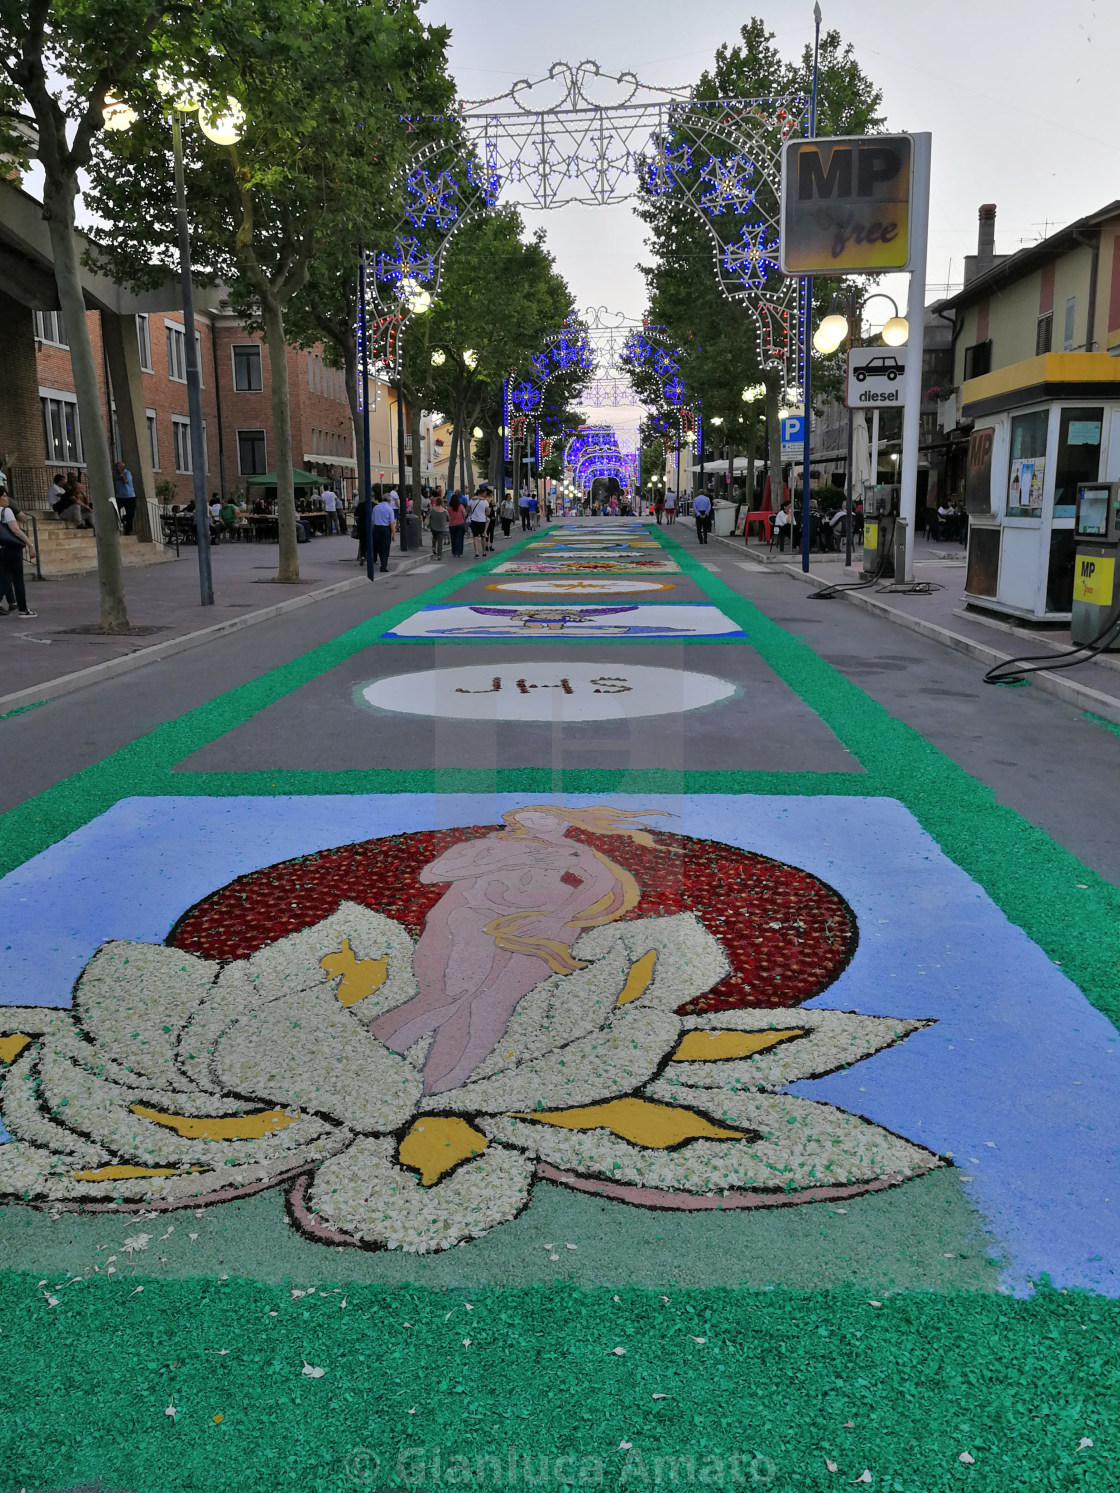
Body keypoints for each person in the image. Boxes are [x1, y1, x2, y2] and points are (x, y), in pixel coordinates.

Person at [370, 804, 664, 1094]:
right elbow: (433, 873)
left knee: (491, 1005)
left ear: (565, 823)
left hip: (535, 928)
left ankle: (441, 1086)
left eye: (551, 816)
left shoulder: (572, 852)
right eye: (535, 814)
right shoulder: (490, 845)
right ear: (515, 818)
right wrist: (508, 861)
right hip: (472, 918)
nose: (543, 821)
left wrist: (560, 916)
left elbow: (603, 881)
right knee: (448, 994)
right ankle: (372, 1067)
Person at [0, 490, 37, 618]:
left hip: (1, 548)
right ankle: (23, 609)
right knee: (18, 579)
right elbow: (15, 530)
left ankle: (14, 604)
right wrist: (30, 544)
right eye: (4, 496)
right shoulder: (6, 511)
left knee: (4, 578)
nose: (7, 498)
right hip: (12, 548)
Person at [371, 489, 396, 572]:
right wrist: (394, 534)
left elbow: (373, 521)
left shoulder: (376, 507)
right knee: (385, 548)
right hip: (385, 529)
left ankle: (375, 560)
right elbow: (392, 523)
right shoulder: (390, 509)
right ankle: (383, 565)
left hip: (377, 529)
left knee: (377, 546)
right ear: (389, 500)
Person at [113, 461, 136, 535]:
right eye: (116, 467)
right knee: (115, 511)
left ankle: (128, 530)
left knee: (130, 515)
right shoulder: (115, 474)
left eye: (118, 467)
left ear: (122, 468)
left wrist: (121, 474)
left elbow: (126, 481)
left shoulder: (127, 473)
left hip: (129, 497)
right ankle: (120, 523)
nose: (117, 468)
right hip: (119, 497)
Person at [468, 486, 491, 559]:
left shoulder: (471, 500)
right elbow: (488, 512)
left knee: (475, 537)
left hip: (474, 520)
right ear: (482, 493)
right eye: (485, 493)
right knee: (483, 536)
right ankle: (484, 552)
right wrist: (485, 514)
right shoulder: (485, 502)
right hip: (482, 521)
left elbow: (468, 508)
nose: (485, 494)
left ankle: (476, 553)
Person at [427, 493, 449, 560]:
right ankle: (439, 555)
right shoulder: (444, 511)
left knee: (434, 537)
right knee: (440, 542)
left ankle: (433, 547)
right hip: (441, 527)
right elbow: (448, 519)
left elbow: (429, 517)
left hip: (433, 527)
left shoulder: (432, 510)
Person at [447, 492, 466, 558]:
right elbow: (464, 514)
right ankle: (459, 552)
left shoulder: (449, 507)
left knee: (453, 538)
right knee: (459, 538)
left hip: (452, 524)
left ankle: (454, 551)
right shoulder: (461, 506)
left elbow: (448, 515)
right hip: (460, 523)